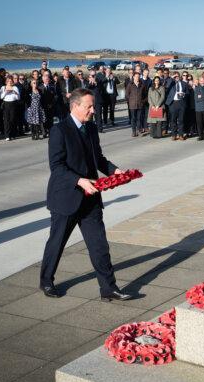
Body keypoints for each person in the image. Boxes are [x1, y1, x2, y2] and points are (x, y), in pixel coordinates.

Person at [39, 88, 131, 301]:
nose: (93, 110)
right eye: (89, 106)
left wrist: (115, 171)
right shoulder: (59, 130)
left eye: (93, 106)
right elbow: (57, 166)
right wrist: (79, 180)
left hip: (91, 199)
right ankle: (46, 280)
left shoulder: (90, 128)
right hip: (66, 197)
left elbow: (97, 158)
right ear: (75, 106)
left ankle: (108, 288)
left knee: (99, 244)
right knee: (57, 242)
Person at [165, 71, 189, 141]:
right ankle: (174, 135)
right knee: (173, 120)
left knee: (181, 120)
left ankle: (181, 135)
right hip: (173, 103)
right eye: (175, 76)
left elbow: (187, 92)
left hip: (181, 103)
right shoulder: (171, 83)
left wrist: (184, 94)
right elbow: (167, 87)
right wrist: (172, 78)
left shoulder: (184, 83)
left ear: (180, 76)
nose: (176, 78)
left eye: (177, 76)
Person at [125, 72, 147, 137]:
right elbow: (126, 95)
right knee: (133, 118)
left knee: (139, 118)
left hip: (140, 105)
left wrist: (143, 101)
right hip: (132, 105)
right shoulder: (130, 85)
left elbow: (146, 95)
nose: (137, 78)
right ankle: (134, 131)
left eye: (138, 76)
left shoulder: (142, 85)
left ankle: (139, 130)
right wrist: (130, 101)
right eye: (136, 76)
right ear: (133, 77)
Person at [0, 75, 20, 141]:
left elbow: (18, 98)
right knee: (6, 120)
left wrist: (15, 92)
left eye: (11, 81)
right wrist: (6, 92)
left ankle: (12, 134)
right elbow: (1, 97)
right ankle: (7, 135)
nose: (9, 82)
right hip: (6, 104)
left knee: (12, 120)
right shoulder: (3, 87)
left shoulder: (15, 87)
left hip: (13, 104)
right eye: (8, 81)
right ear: (6, 81)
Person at [39, 72, 57, 138]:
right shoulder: (40, 87)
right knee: (43, 120)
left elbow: (55, 96)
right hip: (43, 106)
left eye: (48, 79)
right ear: (43, 79)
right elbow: (39, 97)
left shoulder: (52, 87)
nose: (47, 80)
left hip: (51, 106)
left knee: (50, 119)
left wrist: (52, 104)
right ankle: (44, 132)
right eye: (45, 79)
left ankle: (50, 131)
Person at [139, 69, 151, 134]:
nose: (146, 74)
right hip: (141, 99)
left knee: (146, 114)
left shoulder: (150, 80)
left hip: (147, 99)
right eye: (145, 73)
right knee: (141, 114)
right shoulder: (140, 80)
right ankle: (141, 127)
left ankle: (146, 127)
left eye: (147, 73)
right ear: (143, 73)